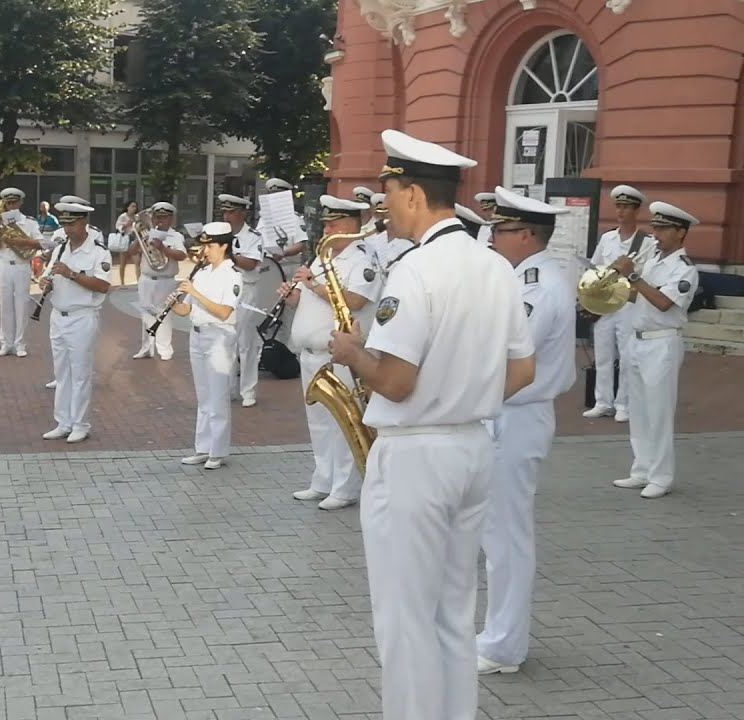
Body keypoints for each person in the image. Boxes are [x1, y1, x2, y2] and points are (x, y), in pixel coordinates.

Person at [329, 129, 535, 720]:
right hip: (471, 447)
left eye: (389, 192)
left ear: (414, 193)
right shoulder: (495, 266)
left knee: (405, 619)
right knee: (452, 611)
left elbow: (395, 381)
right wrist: (463, 396)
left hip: (416, 456)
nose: (383, 206)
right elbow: (523, 369)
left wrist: (353, 353)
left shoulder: (415, 270)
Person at [477, 186, 577, 675]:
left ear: (526, 235)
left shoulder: (539, 286)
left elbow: (509, 352)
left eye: (501, 229)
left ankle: (504, 646)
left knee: (507, 536)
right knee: (493, 533)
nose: (492, 236)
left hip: (518, 415)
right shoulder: (521, 278)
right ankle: (498, 635)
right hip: (505, 412)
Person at [286, 195, 382, 510]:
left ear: (351, 224)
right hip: (310, 352)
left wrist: (313, 285)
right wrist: (293, 297)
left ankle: (346, 487)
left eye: (333, 223)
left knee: (344, 421)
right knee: (319, 422)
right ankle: (323, 480)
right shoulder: (323, 256)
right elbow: (309, 299)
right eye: (325, 223)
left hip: (339, 353)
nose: (326, 229)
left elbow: (356, 300)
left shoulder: (363, 258)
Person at [611, 201, 700, 500]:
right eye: (655, 227)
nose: (656, 234)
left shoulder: (685, 269)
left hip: (662, 343)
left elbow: (663, 303)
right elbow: (638, 296)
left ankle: (662, 477)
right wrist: (609, 288)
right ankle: (642, 469)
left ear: (680, 232)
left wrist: (633, 276)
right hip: (638, 339)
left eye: (663, 229)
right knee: (638, 411)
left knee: (658, 413)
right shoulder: (651, 260)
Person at [40, 201, 113, 443]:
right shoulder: (61, 248)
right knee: (62, 374)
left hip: (82, 316)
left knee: (80, 374)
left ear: (83, 222)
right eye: (65, 224)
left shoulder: (98, 252)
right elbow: (48, 276)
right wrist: (45, 283)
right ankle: (63, 422)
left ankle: (80, 424)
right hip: (58, 315)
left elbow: (103, 285)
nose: (68, 229)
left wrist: (71, 274)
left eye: (72, 224)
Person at [170, 222, 240, 469]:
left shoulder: (232, 275)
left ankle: (217, 451)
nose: (205, 250)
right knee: (203, 395)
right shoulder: (202, 272)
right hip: (198, 334)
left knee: (218, 395)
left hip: (219, 337)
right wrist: (172, 304)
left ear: (223, 246)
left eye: (210, 246)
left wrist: (196, 293)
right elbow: (188, 308)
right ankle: (202, 447)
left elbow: (223, 312)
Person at [583, 185, 650, 422]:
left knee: (627, 355)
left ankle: (623, 404)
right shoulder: (607, 238)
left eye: (626, 207)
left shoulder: (646, 242)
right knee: (602, 353)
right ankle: (603, 402)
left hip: (629, 303)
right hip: (605, 303)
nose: (620, 211)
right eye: (618, 206)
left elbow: (647, 276)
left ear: (636, 210)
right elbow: (594, 266)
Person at [219, 194, 265, 407]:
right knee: (226, 340)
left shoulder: (253, 236)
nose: (226, 217)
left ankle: (248, 390)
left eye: (231, 212)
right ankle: (228, 388)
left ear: (242, 213)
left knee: (246, 343)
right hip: (224, 289)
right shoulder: (220, 234)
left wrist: (227, 254)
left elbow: (250, 263)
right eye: (225, 212)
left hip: (246, 290)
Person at [128, 202, 186, 360]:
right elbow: (131, 251)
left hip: (166, 280)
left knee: (164, 314)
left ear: (171, 219)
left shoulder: (175, 236)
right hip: (146, 279)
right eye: (156, 217)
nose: (159, 221)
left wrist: (163, 248)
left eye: (164, 217)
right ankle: (147, 348)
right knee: (146, 314)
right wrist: (138, 239)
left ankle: (165, 349)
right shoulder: (147, 233)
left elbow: (182, 255)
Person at [0, 187, 43, 358]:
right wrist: (1, 235)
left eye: (14, 202)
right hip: (4, 265)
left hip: (22, 265)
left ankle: (20, 344)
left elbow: (40, 243)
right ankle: (6, 344)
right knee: (4, 305)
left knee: (21, 305)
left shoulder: (30, 222)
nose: (11, 206)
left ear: (20, 203)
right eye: (8, 203)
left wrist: (20, 241)